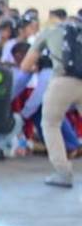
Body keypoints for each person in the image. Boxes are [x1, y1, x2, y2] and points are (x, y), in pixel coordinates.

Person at [21, 15, 82, 188]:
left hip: (62, 81)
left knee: (50, 124)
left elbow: (26, 65)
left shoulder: (50, 32)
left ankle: (63, 173)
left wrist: (37, 67)